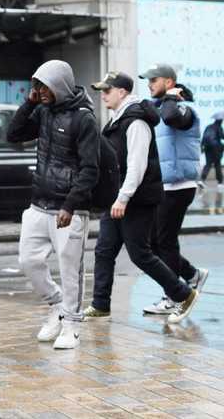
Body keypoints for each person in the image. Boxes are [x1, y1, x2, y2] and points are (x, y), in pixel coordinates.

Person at [85, 72, 198, 324]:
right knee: (104, 251)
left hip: (136, 199)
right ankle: (100, 305)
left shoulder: (135, 121)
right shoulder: (117, 119)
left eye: (107, 90)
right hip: (117, 197)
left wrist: (123, 198)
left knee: (140, 254)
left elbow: (137, 165)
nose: (103, 95)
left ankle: (184, 294)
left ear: (122, 92)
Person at [6, 60, 98, 350]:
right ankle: (57, 305)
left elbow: (90, 169)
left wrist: (70, 205)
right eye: (37, 86)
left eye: (44, 86)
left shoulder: (84, 119)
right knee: (28, 261)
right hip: (38, 203)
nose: (40, 91)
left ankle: (71, 324)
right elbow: (13, 134)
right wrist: (29, 103)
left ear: (60, 84)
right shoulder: (43, 111)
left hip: (68, 209)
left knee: (70, 271)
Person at [140, 63, 210, 316]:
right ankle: (191, 274)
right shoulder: (161, 106)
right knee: (154, 242)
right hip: (165, 186)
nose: (149, 84)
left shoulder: (184, 108)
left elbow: (171, 118)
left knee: (165, 241)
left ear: (169, 82)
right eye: (148, 80)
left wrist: (171, 97)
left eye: (154, 80)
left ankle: (173, 296)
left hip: (179, 186)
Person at [201, 114, 223, 184]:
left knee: (208, 164)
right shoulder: (219, 127)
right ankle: (220, 181)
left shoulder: (208, 127)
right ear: (220, 121)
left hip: (207, 148)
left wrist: (202, 147)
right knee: (217, 164)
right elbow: (222, 136)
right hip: (216, 149)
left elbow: (204, 138)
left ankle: (202, 178)